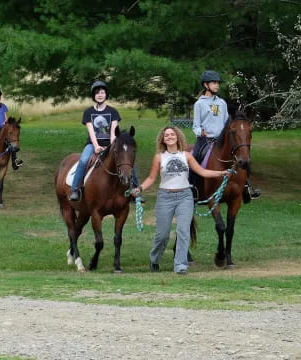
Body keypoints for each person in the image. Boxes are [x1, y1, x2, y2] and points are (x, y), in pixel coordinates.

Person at [136, 126, 229, 275]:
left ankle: (180, 265)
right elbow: (151, 178)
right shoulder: (159, 157)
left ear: (178, 137)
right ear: (163, 139)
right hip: (165, 197)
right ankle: (154, 259)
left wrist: (222, 173)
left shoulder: (187, 155)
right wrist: (139, 188)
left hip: (185, 196)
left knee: (183, 231)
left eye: (172, 134)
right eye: (167, 135)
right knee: (162, 235)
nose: (170, 137)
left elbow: (202, 171)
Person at [191, 70, 260, 202]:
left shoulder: (222, 103)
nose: (217, 85)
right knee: (194, 158)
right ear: (206, 85)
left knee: (243, 158)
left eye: (217, 83)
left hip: (221, 140)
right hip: (205, 140)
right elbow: (195, 125)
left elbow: (225, 122)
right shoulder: (199, 103)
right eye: (214, 83)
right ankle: (193, 188)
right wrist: (201, 132)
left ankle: (246, 187)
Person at [68, 81, 139, 201]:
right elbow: (91, 132)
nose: (100, 95)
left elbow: (113, 131)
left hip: (111, 144)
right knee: (84, 160)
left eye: (102, 92)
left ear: (106, 95)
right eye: (97, 93)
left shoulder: (113, 112)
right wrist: (96, 146)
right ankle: (75, 189)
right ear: (94, 96)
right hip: (92, 144)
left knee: (128, 161)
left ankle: (135, 191)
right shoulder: (88, 112)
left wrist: (111, 146)